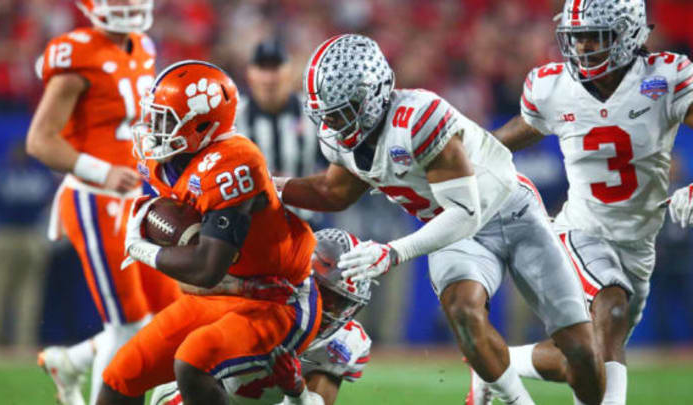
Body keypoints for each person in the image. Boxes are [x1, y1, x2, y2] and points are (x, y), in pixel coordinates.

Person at [274, 34, 605, 405]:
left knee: (582, 350)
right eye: (327, 113)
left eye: (342, 110)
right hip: (454, 233)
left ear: (374, 92)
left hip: (509, 213)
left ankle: (496, 371)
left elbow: (466, 211)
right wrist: (266, 187)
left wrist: (393, 252)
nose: (333, 123)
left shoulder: (418, 118)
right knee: (463, 309)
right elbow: (332, 192)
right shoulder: (343, 138)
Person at [485, 0, 693, 404]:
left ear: (629, 34)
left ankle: (496, 364)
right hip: (580, 230)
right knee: (610, 310)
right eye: (577, 37)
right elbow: (500, 141)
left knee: (590, 355)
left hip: (637, 246)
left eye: (595, 36)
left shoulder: (665, 79)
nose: (582, 47)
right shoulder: (553, 87)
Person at [96, 60, 322, 405]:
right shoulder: (166, 160)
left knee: (192, 362)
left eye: (166, 119)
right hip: (219, 293)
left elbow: (206, 267)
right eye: (154, 117)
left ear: (202, 123)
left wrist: (140, 247)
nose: (155, 128)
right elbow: (197, 275)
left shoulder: (235, 162)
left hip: (277, 300)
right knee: (121, 375)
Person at [25, 1, 181, 404]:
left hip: (137, 198)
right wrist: (102, 171)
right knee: (128, 322)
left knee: (170, 316)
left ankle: (72, 361)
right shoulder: (76, 52)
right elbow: (40, 141)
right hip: (95, 200)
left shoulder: (143, 46)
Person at [149, 227, 373, 405]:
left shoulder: (343, 341)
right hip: (203, 391)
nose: (326, 311)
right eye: (322, 294)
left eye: (338, 304)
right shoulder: (266, 289)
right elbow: (189, 283)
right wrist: (240, 287)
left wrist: (297, 392)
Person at [236, 38, 324, 228]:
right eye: (263, 68)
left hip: (304, 223)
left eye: (275, 68)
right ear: (250, 73)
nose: (269, 78)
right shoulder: (234, 117)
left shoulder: (314, 113)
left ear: (289, 72)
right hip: (248, 227)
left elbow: (333, 167)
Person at [0, 141, 57, 348]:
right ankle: (24, 343)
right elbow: (49, 205)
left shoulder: (0, 175)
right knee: (29, 294)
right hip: (32, 237)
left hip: (4, 235)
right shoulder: (41, 177)